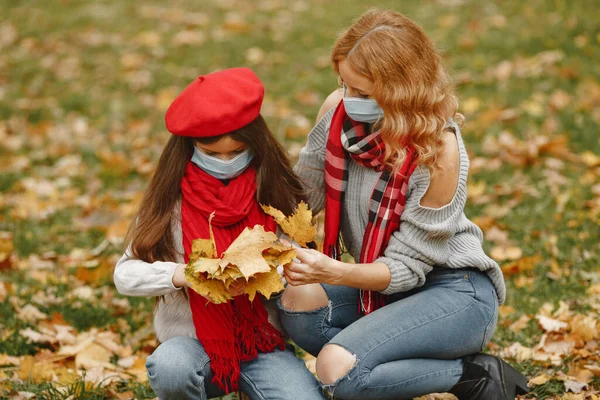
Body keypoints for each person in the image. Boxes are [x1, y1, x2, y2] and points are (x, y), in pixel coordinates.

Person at [277, 10, 530, 400]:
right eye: (345, 85)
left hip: (453, 292)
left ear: (402, 90)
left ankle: (470, 375)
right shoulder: (337, 112)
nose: (350, 100)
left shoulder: (438, 149)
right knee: (295, 302)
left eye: (364, 94)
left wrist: (336, 271)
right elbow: (301, 199)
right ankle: (376, 356)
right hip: (378, 286)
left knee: (337, 372)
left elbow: (407, 269)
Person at [114, 68, 325, 400]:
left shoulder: (273, 195)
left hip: (262, 344)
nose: (226, 162)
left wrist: (272, 271)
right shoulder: (170, 205)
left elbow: (297, 261)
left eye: (236, 152)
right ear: (190, 148)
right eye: (212, 155)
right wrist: (185, 275)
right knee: (171, 368)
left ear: (256, 146)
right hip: (193, 346)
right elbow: (125, 275)